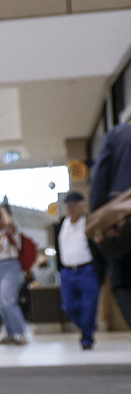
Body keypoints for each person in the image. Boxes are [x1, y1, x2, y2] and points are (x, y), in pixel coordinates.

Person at [88, 114, 131, 324]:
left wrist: (99, 220)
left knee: (122, 282)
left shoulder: (118, 135)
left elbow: (100, 179)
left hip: (123, 222)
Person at [52, 191, 102, 349]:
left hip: (86, 270)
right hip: (67, 271)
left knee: (89, 306)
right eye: (68, 206)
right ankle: (88, 327)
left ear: (82, 206)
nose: (71, 209)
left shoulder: (89, 223)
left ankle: (87, 338)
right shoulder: (61, 224)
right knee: (68, 306)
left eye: (74, 206)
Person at [0, 203, 29, 344]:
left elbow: (9, 224)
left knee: (8, 299)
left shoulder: (12, 229)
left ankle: (20, 333)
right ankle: (10, 332)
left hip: (9, 265)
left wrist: (3, 210)